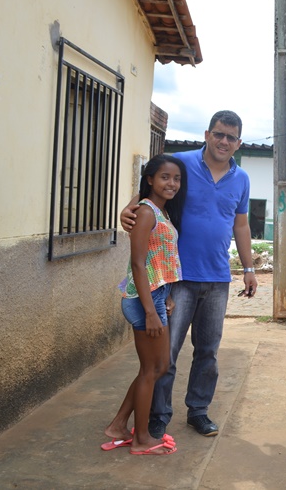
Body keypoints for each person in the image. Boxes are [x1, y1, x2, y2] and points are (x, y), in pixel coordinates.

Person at [120, 110, 258, 439]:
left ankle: (198, 410)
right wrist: (129, 208)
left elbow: (240, 224)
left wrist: (249, 267)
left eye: (231, 137)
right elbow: (150, 189)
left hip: (217, 278)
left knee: (208, 350)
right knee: (167, 353)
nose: (224, 141)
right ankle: (159, 414)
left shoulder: (241, 179)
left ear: (238, 143)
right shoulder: (181, 165)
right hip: (176, 279)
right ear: (207, 134)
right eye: (219, 134)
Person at [103, 154, 186, 455]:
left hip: (156, 296)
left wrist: (168, 297)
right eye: (164, 177)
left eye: (176, 178)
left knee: (156, 367)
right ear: (149, 179)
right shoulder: (147, 212)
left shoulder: (161, 213)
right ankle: (141, 440)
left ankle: (118, 425)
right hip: (143, 300)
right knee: (154, 368)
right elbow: (138, 264)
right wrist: (152, 311)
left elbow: (158, 260)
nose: (172, 183)